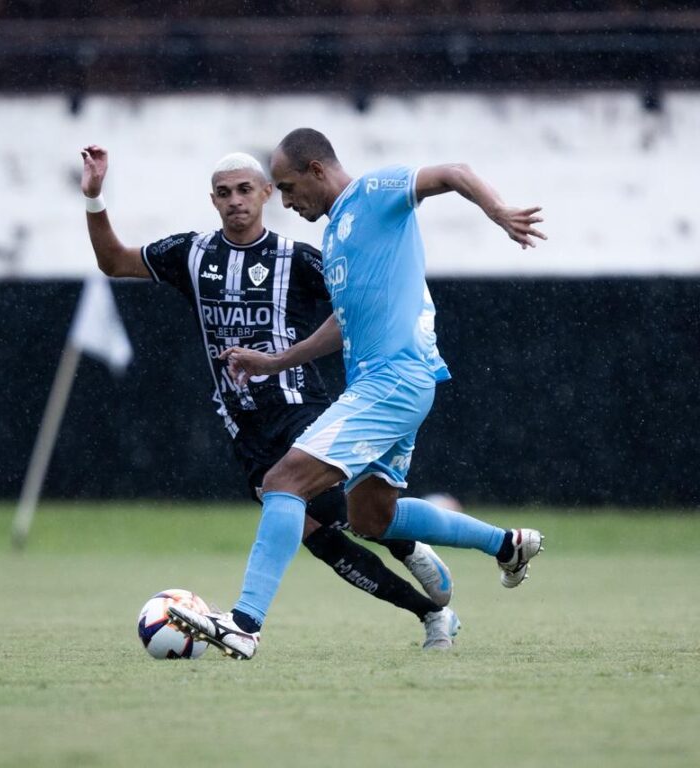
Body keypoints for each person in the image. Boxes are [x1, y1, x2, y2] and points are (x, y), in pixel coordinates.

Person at [168, 128, 547, 660]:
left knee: (283, 481)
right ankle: (506, 545)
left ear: (316, 171)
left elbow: (454, 172)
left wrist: (499, 212)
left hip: (393, 381)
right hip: (391, 383)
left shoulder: (373, 193)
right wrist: (275, 361)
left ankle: (244, 624)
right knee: (371, 517)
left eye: (288, 187)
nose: (286, 201)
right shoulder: (336, 236)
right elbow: (342, 323)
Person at [80, 144, 461, 653]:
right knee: (323, 540)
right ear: (213, 201)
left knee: (344, 512)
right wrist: (94, 197)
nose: (235, 200)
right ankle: (431, 612)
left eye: (245, 190)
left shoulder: (298, 258)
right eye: (224, 193)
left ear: (265, 194)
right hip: (246, 429)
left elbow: (358, 302)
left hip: (301, 409)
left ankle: (408, 548)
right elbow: (113, 261)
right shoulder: (190, 254)